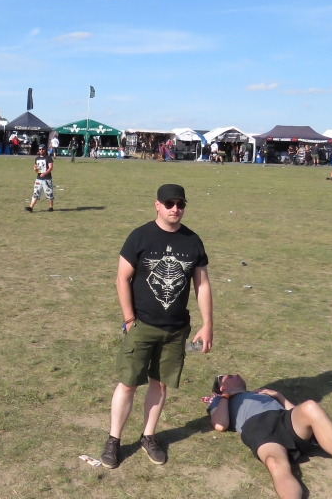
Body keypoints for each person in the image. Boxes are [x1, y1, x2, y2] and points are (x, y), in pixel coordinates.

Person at [101, 183, 212, 469]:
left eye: (180, 204)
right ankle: (114, 439)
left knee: (160, 384)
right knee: (128, 383)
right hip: (142, 324)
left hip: (175, 328)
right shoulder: (140, 236)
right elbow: (122, 278)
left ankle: (148, 436)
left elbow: (202, 285)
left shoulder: (193, 241)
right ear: (157, 205)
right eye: (169, 203)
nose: (175, 209)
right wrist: (129, 319)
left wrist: (207, 324)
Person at [209, 373, 332, 499]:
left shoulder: (261, 393)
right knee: (275, 463)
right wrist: (225, 396)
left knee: (310, 406)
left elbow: (296, 412)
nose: (237, 374)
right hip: (257, 427)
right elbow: (220, 424)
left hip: (284, 419)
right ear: (221, 386)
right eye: (229, 376)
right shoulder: (220, 399)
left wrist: (279, 396)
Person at [25, 144, 54, 213]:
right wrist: (35, 169)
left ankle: (51, 207)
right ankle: (31, 207)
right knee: (35, 193)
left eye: (43, 149)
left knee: (49, 193)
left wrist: (45, 173)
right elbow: (36, 169)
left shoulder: (48, 158)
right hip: (38, 179)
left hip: (47, 179)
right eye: (40, 149)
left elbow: (50, 168)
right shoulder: (37, 158)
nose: (41, 150)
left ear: (45, 150)